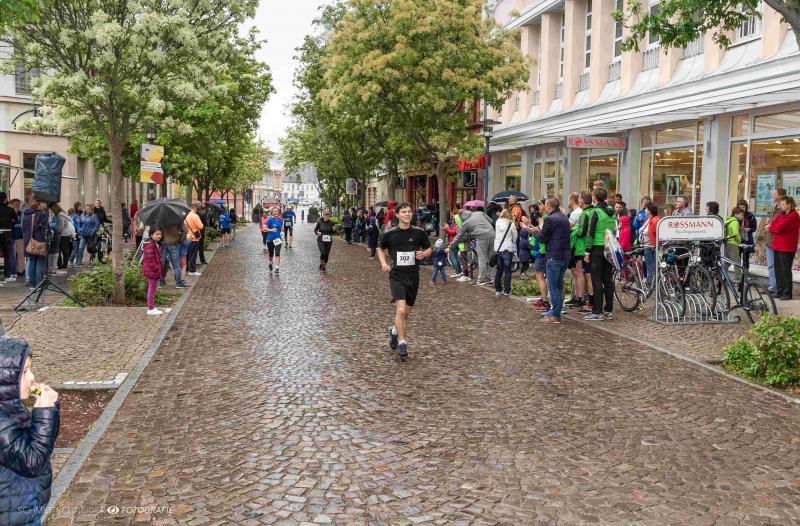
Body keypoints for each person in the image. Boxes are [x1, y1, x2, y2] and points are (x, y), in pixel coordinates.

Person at [0, 340, 60, 526]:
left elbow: (41, 444)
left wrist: (51, 410)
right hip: (12, 515)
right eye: (24, 372)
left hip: (23, 506)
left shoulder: (10, 407)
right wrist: (44, 414)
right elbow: (33, 462)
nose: (32, 377)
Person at [379, 202, 432, 359]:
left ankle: (394, 331)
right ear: (397, 215)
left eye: (409, 211)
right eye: (404, 212)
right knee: (401, 310)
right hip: (397, 275)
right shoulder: (390, 234)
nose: (407, 214)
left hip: (413, 275)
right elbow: (380, 248)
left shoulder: (419, 232)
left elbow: (429, 248)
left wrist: (425, 254)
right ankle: (402, 342)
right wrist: (383, 263)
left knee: (406, 312)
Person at [533, 197, 571, 324]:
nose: (544, 208)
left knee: (553, 287)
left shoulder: (550, 219)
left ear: (549, 206)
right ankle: (556, 311)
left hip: (554, 256)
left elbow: (543, 238)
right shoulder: (564, 217)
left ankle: (555, 315)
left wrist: (534, 232)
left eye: (545, 205)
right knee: (559, 286)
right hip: (564, 256)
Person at [583, 188, 616, 321]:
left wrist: (587, 251)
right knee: (608, 279)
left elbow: (590, 233)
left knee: (596, 279)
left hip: (597, 248)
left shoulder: (595, 212)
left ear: (594, 197)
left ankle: (597, 311)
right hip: (608, 247)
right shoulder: (611, 212)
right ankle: (608, 310)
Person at [449, 208, 495, 286]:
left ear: (461, 216)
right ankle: (493, 278)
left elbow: (459, 236)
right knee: (491, 258)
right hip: (492, 234)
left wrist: (451, 246)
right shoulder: (479, 213)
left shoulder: (465, 223)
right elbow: (490, 221)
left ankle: (481, 280)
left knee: (482, 258)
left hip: (481, 237)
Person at [768, 195, 799, 301]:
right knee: (778, 269)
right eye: (780, 204)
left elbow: (780, 227)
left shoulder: (794, 215)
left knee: (785, 270)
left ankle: (787, 293)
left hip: (787, 247)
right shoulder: (781, 214)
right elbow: (773, 224)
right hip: (777, 245)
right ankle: (779, 291)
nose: (780, 206)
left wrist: (772, 228)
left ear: (789, 205)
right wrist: (773, 227)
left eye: (782, 204)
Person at [765, 188, 787, 293]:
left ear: (780, 196)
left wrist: (770, 227)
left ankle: (779, 288)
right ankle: (772, 287)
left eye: (774, 194)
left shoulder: (784, 210)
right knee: (771, 265)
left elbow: (781, 225)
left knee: (778, 266)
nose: (772, 195)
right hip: (769, 240)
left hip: (777, 241)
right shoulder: (774, 206)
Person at [22, 200, 49, 288]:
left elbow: (23, 227)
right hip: (40, 240)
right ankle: (39, 283)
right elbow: (46, 227)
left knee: (32, 261)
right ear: (39, 204)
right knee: (40, 261)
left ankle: (32, 284)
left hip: (29, 241)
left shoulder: (25, 213)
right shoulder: (41, 214)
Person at [493, 208, 518, 297]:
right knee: (507, 271)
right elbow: (515, 236)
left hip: (498, 248)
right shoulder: (511, 224)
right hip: (507, 248)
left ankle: (497, 290)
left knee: (499, 270)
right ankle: (506, 291)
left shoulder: (497, 222)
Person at [141, 227, 165, 315]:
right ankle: (150, 308)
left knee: (152, 288)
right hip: (152, 271)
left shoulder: (155, 244)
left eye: (160, 234)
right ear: (151, 235)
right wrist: (157, 268)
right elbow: (150, 260)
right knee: (151, 288)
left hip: (153, 270)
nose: (159, 236)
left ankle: (151, 307)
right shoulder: (150, 246)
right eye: (157, 234)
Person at [159, 222, 188, 289]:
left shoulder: (163, 220)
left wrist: (162, 238)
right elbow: (185, 231)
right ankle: (178, 283)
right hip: (174, 243)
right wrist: (179, 240)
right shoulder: (178, 219)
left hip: (165, 243)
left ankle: (160, 283)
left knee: (161, 264)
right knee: (176, 265)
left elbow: (160, 231)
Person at [638, 203, 660, 285]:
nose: (645, 210)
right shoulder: (649, 219)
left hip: (651, 246)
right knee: (649, 264)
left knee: (651, 264)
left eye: (646, 209)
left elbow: (657, 233)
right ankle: (651, 281)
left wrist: (654, 245)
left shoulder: (655, 220)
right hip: (647, 245)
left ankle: (651, 283)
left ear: (650, 210)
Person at [0, 193, 18, 282]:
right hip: (7, 233)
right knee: (8, 255)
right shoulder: (10, 210)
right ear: (5, 199)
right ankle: (8, 275)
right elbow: (16, 220)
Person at [736, 199, 756, 269]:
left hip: (747, 239)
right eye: (740, 207)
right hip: (737, 239)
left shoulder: (750, 215)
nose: (742, 209)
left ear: (746, 207)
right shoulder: (735, 215)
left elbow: (754, 227)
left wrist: (749, 229)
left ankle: (745, 273)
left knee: (746, 259)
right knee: (737, 258)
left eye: (743, 207)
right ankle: (738, 273)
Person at [184, 204, 204, 276]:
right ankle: (192, 270)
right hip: (194, 238)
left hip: (187, 237)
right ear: (195, 209)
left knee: (187, 254)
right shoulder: (195, 216)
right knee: (193, 255)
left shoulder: (186, 216)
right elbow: (200, 226)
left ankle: (186, 269)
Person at [265, 208, 283, 273]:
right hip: (270, 239)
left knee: (277, 253)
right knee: (271, 254)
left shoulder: (280, 220)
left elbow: (281, 228)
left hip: (277, 239)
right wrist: (271, 230)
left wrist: (282, 229)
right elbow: (264, 228)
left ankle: (277, 268)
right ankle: (270, 262)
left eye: (277, 211)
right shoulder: (270, 220)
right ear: (272, 212)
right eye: (275, 211)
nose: (276, 212)